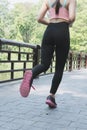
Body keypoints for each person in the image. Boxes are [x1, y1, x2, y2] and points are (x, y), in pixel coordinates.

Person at [20, 0, 77, 108]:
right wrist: (67, 23)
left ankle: (32, 73)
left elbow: (39, 18)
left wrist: (51, 22)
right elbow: (72, 17)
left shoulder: (47, 1)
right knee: (59, 68)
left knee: (44, 64)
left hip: (49, 31)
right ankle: (51, 96)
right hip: (62, 30)